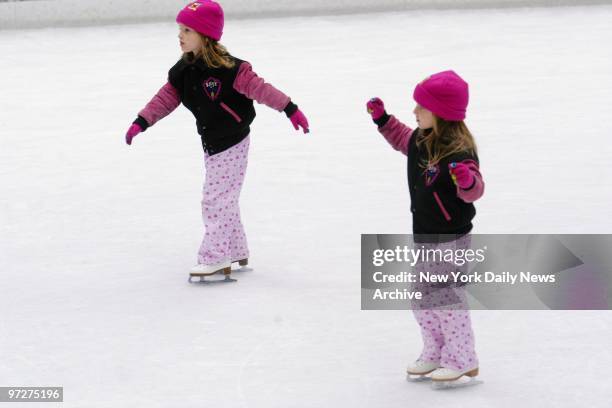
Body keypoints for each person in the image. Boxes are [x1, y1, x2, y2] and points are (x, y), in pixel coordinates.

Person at [124, 0, 309, 277]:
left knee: (215, 199)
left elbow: (262, 90)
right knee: (225, 197)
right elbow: (165, 99)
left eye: (187, 30)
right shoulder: (185, 70)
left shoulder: (232, 70)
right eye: (180, 29)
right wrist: (142, 121)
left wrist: (289, 108)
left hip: (232, 141)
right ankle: (235, 249)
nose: (180, 35)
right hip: (212, 142)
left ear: (205, 34)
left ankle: (216, 257)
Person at [366, 70, 484, 383]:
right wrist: (383, 120)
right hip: (427, 236)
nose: (415, 112)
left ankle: (462, 358)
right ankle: (436, 350)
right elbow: (403, 139)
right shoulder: (422, 139)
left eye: (422, 107)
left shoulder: (458, 152)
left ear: (442, 113)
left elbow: (475, 190)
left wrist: (467, 181)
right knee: (420, 296)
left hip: (450, 238)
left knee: (446, 298)